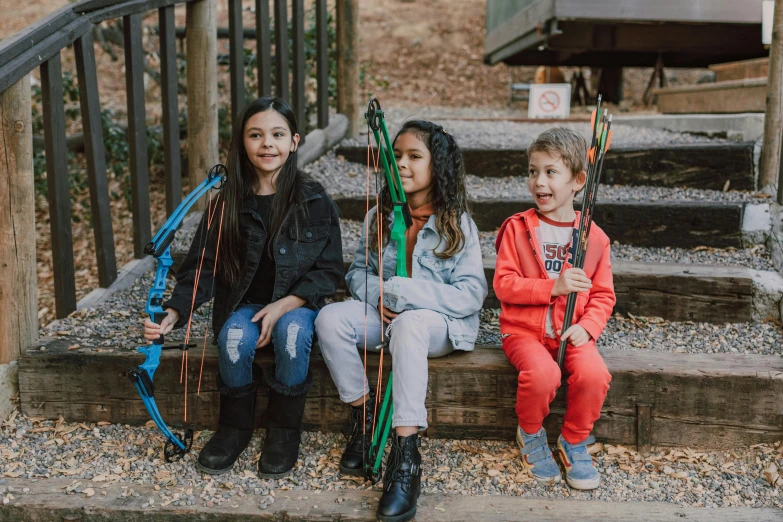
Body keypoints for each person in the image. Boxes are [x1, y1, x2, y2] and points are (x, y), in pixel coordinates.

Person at [143, 96, 343, 479]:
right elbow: (203, 265)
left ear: (295, 142)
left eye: (277, 134)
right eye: (256, 135)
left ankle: (284, 431)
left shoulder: (314, 200)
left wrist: (288, 302)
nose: (267, 144)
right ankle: (234, 428)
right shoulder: (226, 202)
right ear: (242, 143)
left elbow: (329, 270)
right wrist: (173, 311)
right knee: (234, 338)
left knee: (293, 333)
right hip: (244, 303)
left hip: (297, 304)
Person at [315, 121, 487, 522]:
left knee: (410, 326)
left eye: (414, 156)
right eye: (395, 155)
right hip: (387, 318)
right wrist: (375, 292)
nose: (401, 164)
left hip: (439, 327)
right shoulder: (379, 216)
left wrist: (410, 293)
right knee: (329, 319)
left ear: (437, 165)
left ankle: (405, 455)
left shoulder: (457, 223)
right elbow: (357, 271)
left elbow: (470, 295)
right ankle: (364, 415)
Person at [494, 127, 615, 490]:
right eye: (533, 171)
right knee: (543, 375)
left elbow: (603, 295)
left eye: (550, 172)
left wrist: (589, 327)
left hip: (571, 330)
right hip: (523, 332)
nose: (538, 181)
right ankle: (530, 433)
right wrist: (553, 286)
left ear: (579, 180)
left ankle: (574, 439)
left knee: (595, 375)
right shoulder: (517, 229)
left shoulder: (594, 237)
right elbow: (504, 284)